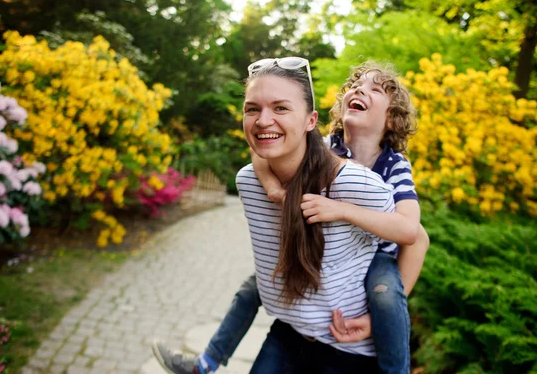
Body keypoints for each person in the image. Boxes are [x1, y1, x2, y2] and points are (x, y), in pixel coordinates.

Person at [152, 59, 429, 373]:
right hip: (316, 275)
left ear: (392, 119)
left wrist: (342, 210)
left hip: (379, 253)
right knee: (254, 286)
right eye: (354, 86)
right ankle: (207, 362)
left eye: (374, 90)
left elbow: (412, 232)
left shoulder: (394, 165)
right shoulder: (327, 147)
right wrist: (274, 189)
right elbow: (264, 150)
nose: (358, 90)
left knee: (386, 297)